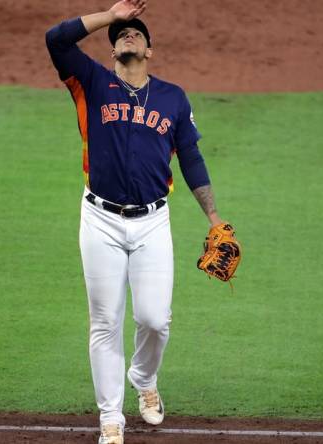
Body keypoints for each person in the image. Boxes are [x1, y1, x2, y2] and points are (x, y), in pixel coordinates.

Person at [46, 1, 225, 443]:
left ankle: (144, 378)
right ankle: (111, 419)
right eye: (121, 34)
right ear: (111, 51)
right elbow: (56, 39)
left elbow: (193, 159)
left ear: (150, 49)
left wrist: (215, 218)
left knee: (154, 319)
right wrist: (110, 15)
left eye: (136, 33)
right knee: (105, 322)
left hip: (151, 223)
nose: (128, 35)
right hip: (100, 220)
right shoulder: (92, 81)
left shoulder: (172, 98)